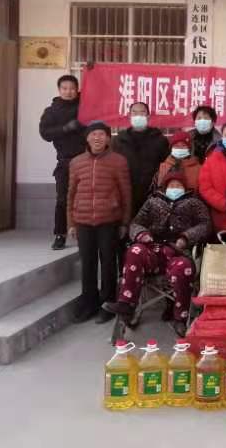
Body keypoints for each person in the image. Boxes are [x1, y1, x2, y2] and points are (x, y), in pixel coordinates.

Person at [103, 169, 211, 337]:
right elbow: (136, 223)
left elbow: (205, 225)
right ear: (165, 187)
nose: (175, 188)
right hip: (152, 250)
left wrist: (186, 237)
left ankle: (180, 318)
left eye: (178, 185)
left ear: (184, 187)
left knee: (183, 268)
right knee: (134, 251)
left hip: (177, 251)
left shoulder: (193, 203)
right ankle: (126, 304)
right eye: (171, 185)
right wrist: (142, 234)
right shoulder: (153, 201)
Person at [67, 121, 131, 324]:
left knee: (108, 262)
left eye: (102, 134)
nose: (97, 138)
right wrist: (71, 223)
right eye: (93, 134)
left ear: (108, 139)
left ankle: (108, 303)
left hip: (109, 220)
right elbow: (71, 194)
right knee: (88, 263)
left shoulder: (118, 161)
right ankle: (89, 302)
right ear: (87, 138)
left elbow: (126, 193)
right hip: (83, 220)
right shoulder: (76, 162)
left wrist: (124, 222)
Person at [39, 74, 86, 250]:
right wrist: (65, 128)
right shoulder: (52, 111)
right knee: (62, 199)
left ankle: (84, 234)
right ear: (59, 90)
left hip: (86, 160)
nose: (68, 92)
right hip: (65, 162)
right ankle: (60, 234)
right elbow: (45, 133)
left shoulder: (85, 107)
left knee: (86, 198)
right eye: (65, 88)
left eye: (72, 88)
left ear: (77, 89)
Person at [112, 102, 170, 218]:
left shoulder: (160, 140)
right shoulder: (119, 141)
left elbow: (166, 166)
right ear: (129, 116)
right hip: (126, 194)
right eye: (134, 113)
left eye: (142, 112)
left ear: (148, 116)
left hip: (152, 195)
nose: (138, 116)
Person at [198, 120, 226, 234]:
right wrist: (225, 204)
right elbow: (205, 187)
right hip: (219, 220)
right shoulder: (211, 160)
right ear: (222, 138)